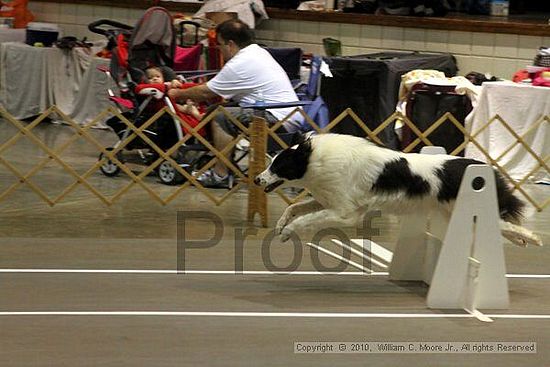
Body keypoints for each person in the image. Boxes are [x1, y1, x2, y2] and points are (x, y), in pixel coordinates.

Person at [168, 18, 303, 189]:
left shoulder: (239, 63)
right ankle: (222, 163)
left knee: (220, 116)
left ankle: (220, 174)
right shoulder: (257, 52)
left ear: (230, 44)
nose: (219, 49)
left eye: (219, 45)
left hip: (276, 119)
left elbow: (206, 92)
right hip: (287, 116)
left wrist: (176, 93)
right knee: (217, 109)